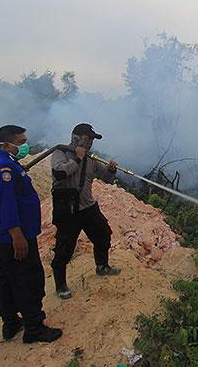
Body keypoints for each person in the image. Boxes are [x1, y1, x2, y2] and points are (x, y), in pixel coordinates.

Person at [0, 125, 62, 343]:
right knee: (28, 279)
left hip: (10, 234)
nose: (25, 145)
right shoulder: (2, 168)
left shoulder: (6, 161)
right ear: (8, 144)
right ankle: (34, 329)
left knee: (8, 279)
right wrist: (17, 235)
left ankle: (10, 323)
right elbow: (6, 204)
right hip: (15, 236)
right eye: (21, 141)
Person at [50, 123, 120, 300]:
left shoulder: (91, 159)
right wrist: (77, 159)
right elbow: (59, 174)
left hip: (87, 206)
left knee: (103, 234)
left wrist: (111, 170)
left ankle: (102, 266)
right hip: (68, 209)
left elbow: (105, 178)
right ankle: (61, 285)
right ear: (75, 137)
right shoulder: (61, 152)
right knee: (64, 248)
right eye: (87, 139)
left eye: (91, 140)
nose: (90, 143)